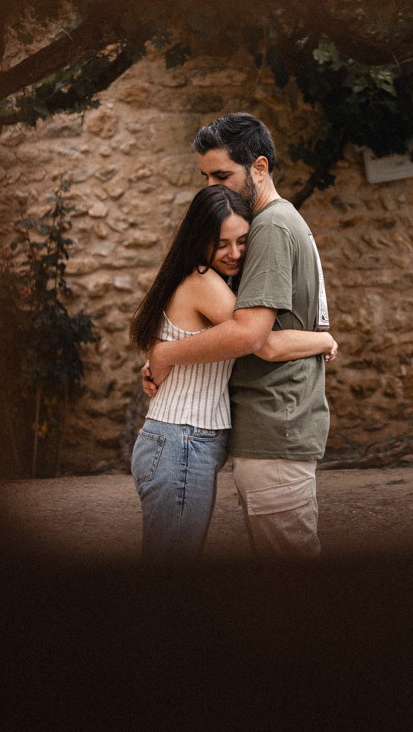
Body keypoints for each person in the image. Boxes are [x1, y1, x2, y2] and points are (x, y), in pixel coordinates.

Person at [145, 112, 332, 559]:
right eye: (206, 176)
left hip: (275, 426)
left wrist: (167, 353)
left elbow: (252, 335)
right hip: (275, 427)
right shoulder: (284, 220)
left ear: (260, 168)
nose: (213, 188)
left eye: (223, 175)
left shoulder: (268, 227)